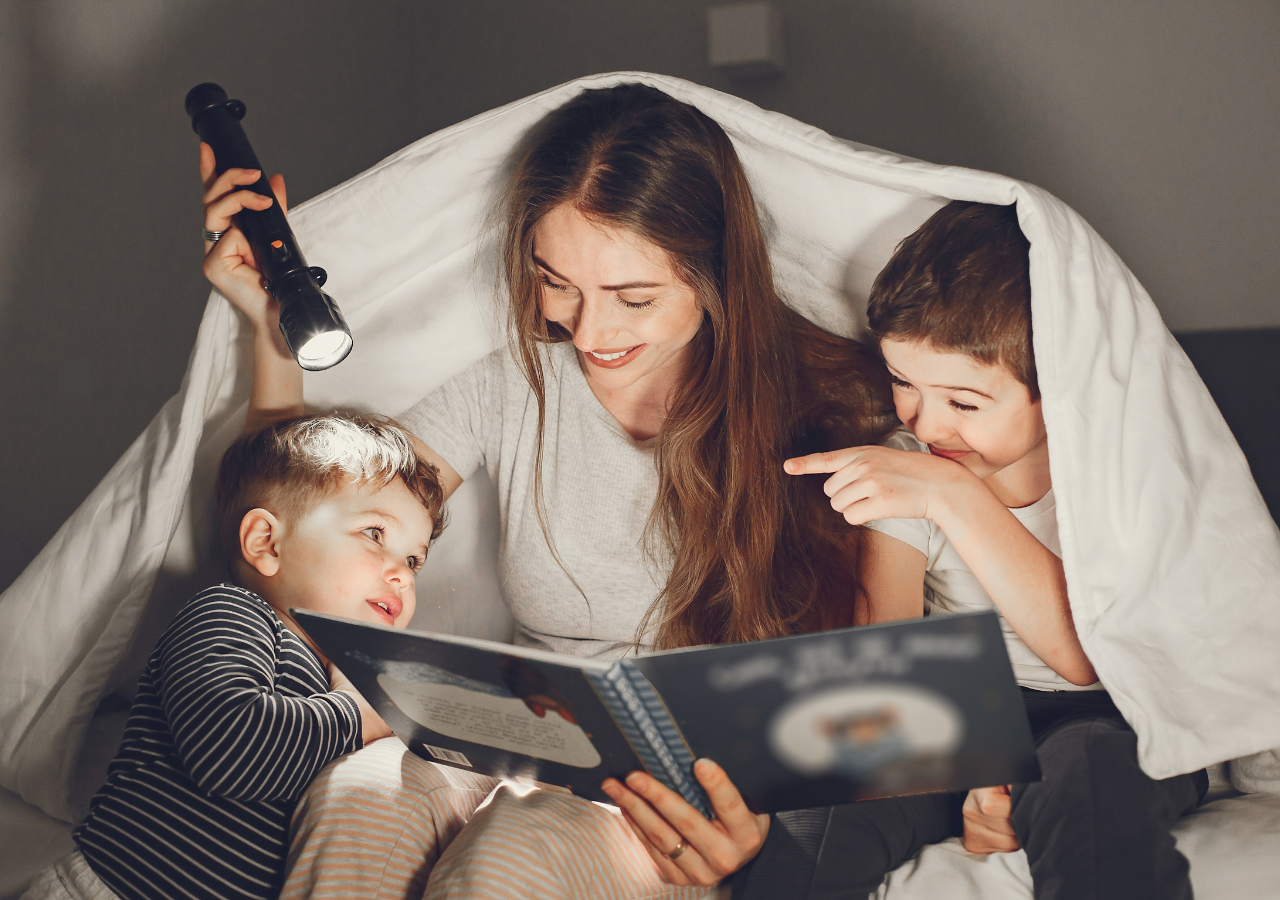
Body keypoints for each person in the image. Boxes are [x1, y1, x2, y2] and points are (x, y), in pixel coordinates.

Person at [199, 83, 898, 898]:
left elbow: (879, 691)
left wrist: (769, 840)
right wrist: (265, 324)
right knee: (356, 794)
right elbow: (307, 516)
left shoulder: (832, 410)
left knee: (508, 858)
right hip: (517, 736)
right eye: (556, 282)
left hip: (672, 792)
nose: (589, 333)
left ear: (716, 278)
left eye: (633, 298)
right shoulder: (517, 387)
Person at [774, 201, 1209, 900]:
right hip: (962, 712)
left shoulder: (1117, 466)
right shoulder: (908, 457)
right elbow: (885, 649)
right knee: (819, 818)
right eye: (904, 384)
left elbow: (1084, 657)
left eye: (966, 403)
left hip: (1113, 713)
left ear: (1058, 391)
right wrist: (964, 761)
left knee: (1090, 770)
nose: (926, 421)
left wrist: (953, 495)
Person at [20, 412, 446, 900]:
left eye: (414, 560)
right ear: (265, 542)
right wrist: (359, 716)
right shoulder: (234, 614)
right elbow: (226, 747)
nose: (403, 575)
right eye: (375, 534)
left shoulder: (345, 681)